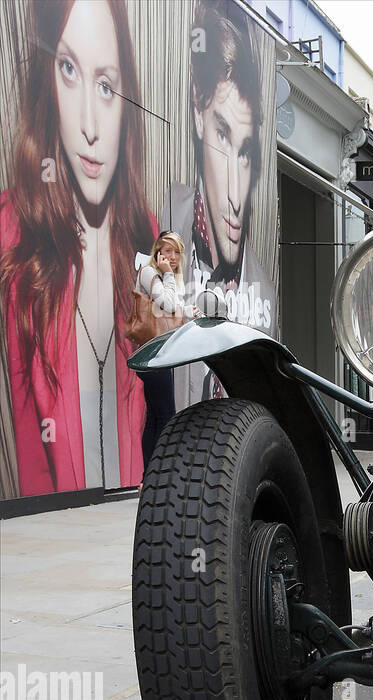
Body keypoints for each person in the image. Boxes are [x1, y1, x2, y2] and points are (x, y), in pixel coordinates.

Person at [0, 0, 154, 497]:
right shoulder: (13, 230)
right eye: (68, 69)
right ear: (47, 79)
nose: (89, 124)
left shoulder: (146, 239)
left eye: (106, 86)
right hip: (53, 537)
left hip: (135, 524)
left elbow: (163, 402)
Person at [165, 0, 274, 409]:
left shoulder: (263, 292)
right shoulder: (158, 223)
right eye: (222, 136)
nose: (234, 194)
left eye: (244, 152)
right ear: (198, 112)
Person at [134, 232, 195, 467]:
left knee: (156, 417)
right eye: (168, 251)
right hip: (152, 354)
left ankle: (149, 475)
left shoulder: (159, 277)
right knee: (166, 416)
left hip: (157, 354)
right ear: (158, 252)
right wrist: (168, 273)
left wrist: (188, 311)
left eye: (177, 252)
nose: (172, 257)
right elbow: (167, 304)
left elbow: (168, 310)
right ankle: (160, 472)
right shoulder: (149, 273)